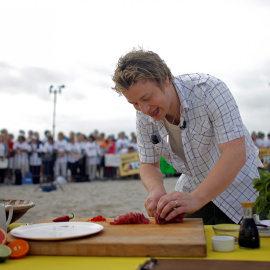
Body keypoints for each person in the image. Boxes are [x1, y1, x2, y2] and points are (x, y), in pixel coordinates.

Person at [112, 48, 260, 225]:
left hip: (243, 187)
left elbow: (235, 153)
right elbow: (148, 164)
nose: (143, 109)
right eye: (134, 103)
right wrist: (156, 190)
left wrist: (197, 198)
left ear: (166, 78)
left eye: (147, 98)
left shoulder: (209, 90)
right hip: (193, 189)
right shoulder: (143, 115)